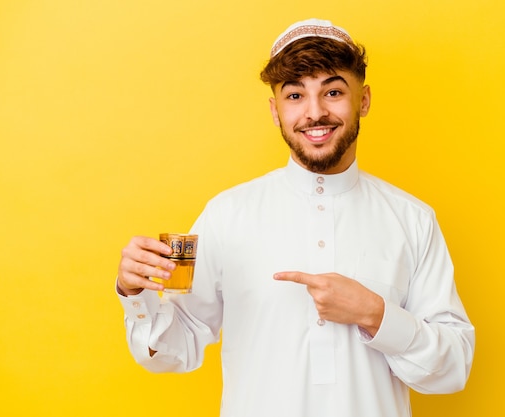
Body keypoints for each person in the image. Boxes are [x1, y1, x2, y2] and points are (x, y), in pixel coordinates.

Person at [116, 18, 475, 417]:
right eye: (295, 96)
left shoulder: (413, 220)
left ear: (365, 100)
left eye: (333, 92)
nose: (315, 113)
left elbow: (453, 369)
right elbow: (173, 350)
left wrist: (375, 313)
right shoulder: (226, 215)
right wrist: (137, 294)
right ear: (275, 110)